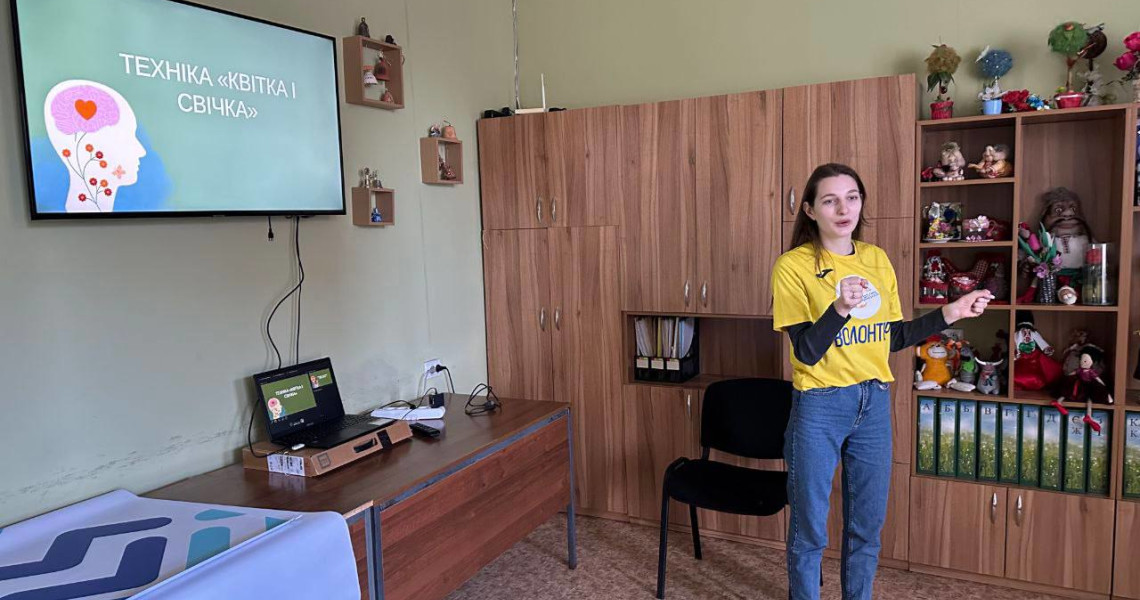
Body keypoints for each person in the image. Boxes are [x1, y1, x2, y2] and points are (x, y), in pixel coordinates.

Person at [771, 163, 992, 600]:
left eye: (852, 197)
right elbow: (806, 351)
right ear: (810, 209)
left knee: (866, 527)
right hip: (819, 404)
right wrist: (838, 308)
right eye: (830, 199)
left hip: (873, 402)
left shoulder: (876, 259)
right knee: (810, 529)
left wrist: (952, 312)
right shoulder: (793, 266)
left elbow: (894, 336)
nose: (843, 208)